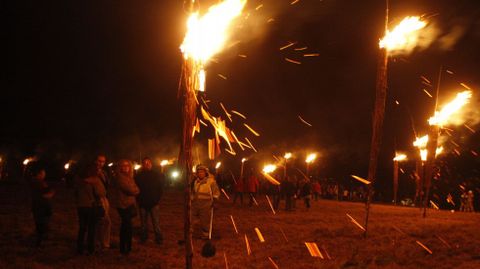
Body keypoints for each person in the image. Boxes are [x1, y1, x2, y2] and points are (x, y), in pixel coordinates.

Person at [75, 165, 106, 255]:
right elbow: (101, 193)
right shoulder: (95, 180)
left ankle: (80, 248)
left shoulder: (78, 181)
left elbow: (76, 193)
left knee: (82, 228)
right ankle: (90, 248)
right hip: (91, 206)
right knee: (91, 228)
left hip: (81, 206)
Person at [111, 160, 140, 255]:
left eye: (127, 165)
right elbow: (132, 190)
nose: (126, 167)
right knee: (126, 226)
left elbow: (135, 188)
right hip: (123, 205)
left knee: (127, 226)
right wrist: (135, 190)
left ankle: (127, 247)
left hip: (129, 204)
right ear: (120, 167)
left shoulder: (129, 177)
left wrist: (135, 189)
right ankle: (124, 247)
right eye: (123, 165)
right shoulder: (120, 178)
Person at [135, 157, 164, 244]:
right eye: (145, 163)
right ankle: (144, 237)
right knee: (143, 223)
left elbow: (160, 188)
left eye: (148, 163)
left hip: (153, 203)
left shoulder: (156, 175)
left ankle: (158, 239)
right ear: (142, 165)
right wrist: (139, 199)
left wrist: (157, 199)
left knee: (156, 223)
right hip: (142, 203)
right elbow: (136, 188)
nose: (146, 165)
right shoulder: (138, 176)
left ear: (151, 164)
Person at [29, 164, 55, 248]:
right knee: (41, 225)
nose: (45, 174)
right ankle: (39, 243)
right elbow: (43, 194)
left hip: (41, 206)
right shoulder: (37, 182)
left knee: (42, 224)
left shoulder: (39, 182)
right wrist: (50, 193)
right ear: (39, 174)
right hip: (40, 207)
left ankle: (40, 241)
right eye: (43, 173)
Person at [191, 165, 220, 239]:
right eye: (199, 172)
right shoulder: (196, 182)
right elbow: (194, 192)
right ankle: (190, 233)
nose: (200, 173)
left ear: (205, 173)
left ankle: (206, 235)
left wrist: (215, 201)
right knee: (191, 218)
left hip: (206, 204)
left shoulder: (211, 182)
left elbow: (216, 192)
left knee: (205, 220)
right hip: (196, 203)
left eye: (202, 172)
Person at [95, 154, 112, 249]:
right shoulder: (92, 172)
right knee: (103, 221)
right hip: (97, 199)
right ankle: (101, 242)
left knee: (103, 221)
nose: (101, 163)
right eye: (99, 161)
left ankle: (102, 241)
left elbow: (107, 184)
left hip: (104, 197)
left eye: (103, 161)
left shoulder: (104, 172)